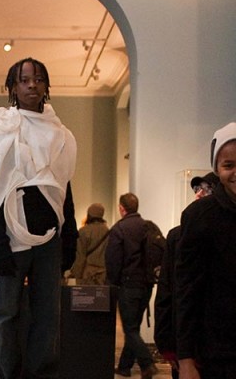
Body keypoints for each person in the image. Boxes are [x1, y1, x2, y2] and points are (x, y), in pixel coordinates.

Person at [0, 57, 78, 378]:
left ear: (46, 85)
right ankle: (7, 375)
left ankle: (40, 374)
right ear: (13, 87)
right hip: (10, 237)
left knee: (48, 315)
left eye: (39, 79)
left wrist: (69, 235)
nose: (32, 85)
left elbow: (64, 188)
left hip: (49, 238)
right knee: (4, 314)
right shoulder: (0, 129)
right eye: (25, 79)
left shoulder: (61, 134)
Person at [175, 122, 236, 379]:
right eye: (228, 165)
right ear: (216, 169)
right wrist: (185, 358)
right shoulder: (200, 216)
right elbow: (187, 288)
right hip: (217, 352)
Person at [154, 172, 218, 379]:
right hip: (189, 343)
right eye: (197, 189)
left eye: (206, 189)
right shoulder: (177, 236)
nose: (199, 194)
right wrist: (168, 344)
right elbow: (169, 292)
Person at [105, 193, 158, 379]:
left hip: (129, 285)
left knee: (130, 328)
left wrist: (113, 282)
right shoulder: (148, 227)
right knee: (133, 326)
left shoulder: (119, 228)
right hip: (147, 285)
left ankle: (147, 363)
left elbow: (113, 260)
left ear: (121, 208)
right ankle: (125, 367)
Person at [70, 203, 109, 285]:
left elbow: (80, 256)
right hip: (103, 275)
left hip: (87, 274)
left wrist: (76, 275)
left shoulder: (83, 231)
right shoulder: (108, 232)